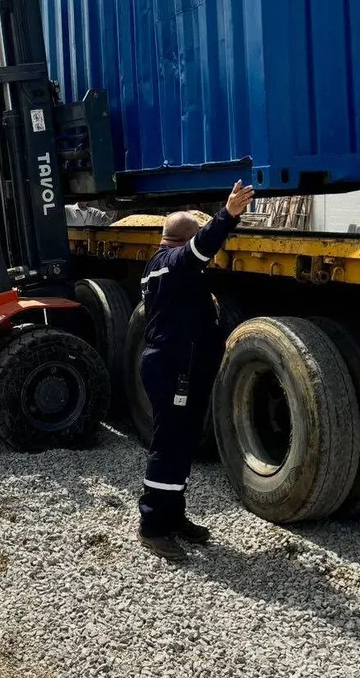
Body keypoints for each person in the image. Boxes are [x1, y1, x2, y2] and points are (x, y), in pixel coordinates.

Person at [136, 179, 257, 562]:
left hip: (182, 367)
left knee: (183, 441)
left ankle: (173, 516)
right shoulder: (170, 264)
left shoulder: (171, 270)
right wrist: (227, 216)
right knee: (169, 444)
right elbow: (199, 249)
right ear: (181, 241)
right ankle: (153, 526)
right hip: (172, 368)